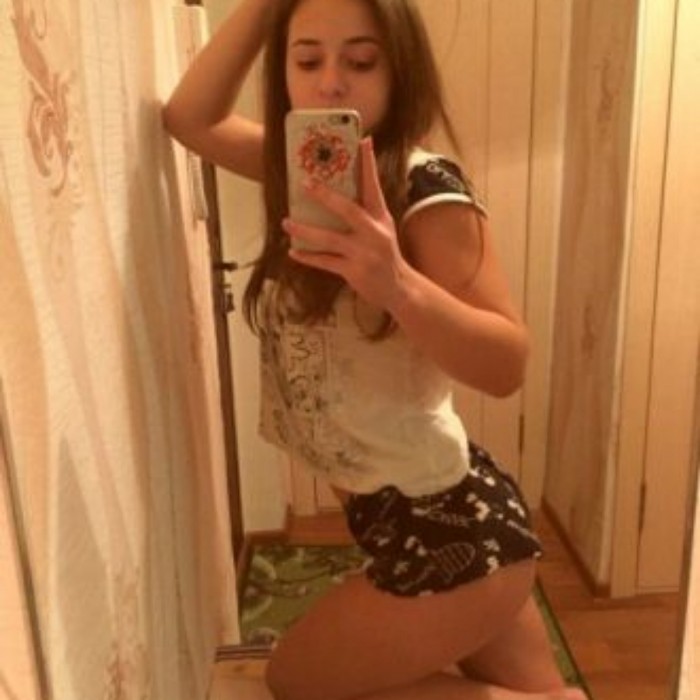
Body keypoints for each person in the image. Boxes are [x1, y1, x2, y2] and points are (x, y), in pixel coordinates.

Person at [164, 1, 586, 699]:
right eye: (307, 59)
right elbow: (190, 119)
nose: (331, 81)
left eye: (361, 60)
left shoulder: (425, 190)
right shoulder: (306, 171)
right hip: (415, 513)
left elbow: (506, 363)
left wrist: (397, 285)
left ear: (399, 71)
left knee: (295, 680)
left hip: (448, 531)